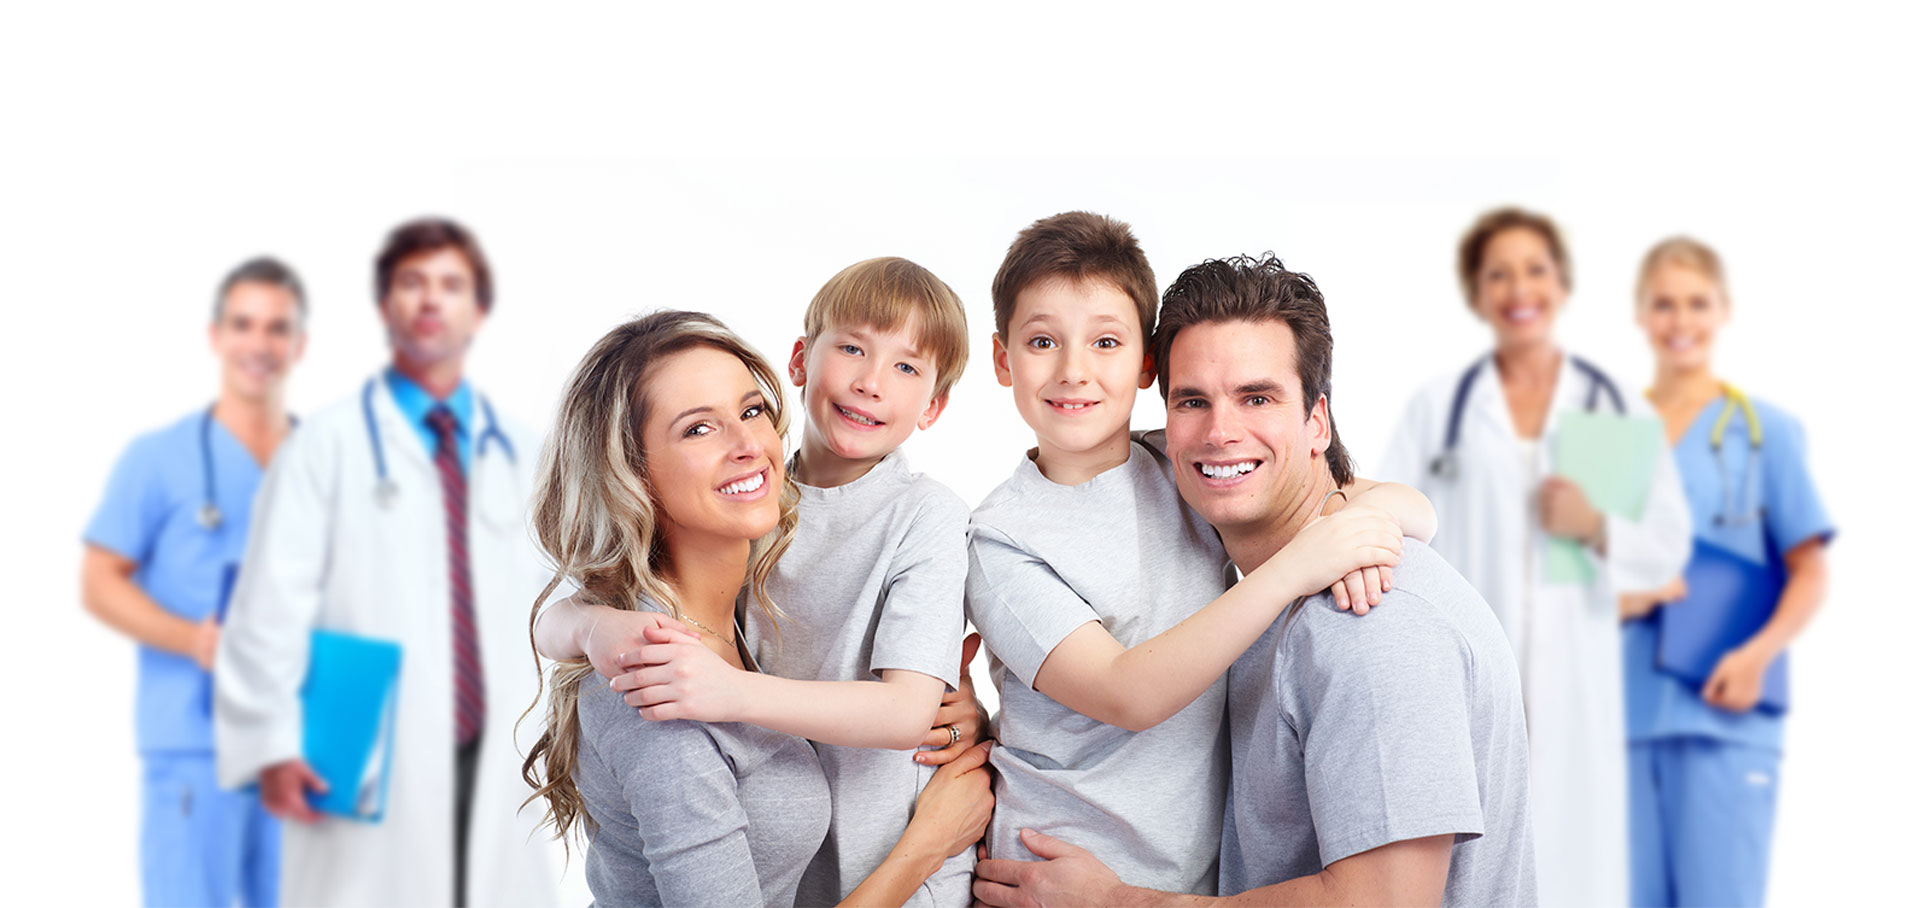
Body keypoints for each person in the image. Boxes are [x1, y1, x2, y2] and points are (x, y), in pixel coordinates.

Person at [973, 254, 1536, 907]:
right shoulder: (1264, 586)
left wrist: (1115, 902)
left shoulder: (1371, 620)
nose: (1220, 433)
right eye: (1192, 402)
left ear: (1316, 421)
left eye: (1257, 397)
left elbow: (1385, 901)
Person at [530, 258, 987, 906]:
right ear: (801, 362)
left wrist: (962, 711)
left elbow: (911, 710)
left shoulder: (811, 517)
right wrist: (588, 625)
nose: (871, 382)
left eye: (750, 411)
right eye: (698, 427)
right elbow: (557, 619)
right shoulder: (671, 678)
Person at [214, 218, 554, 906]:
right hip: (364, 748)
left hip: (503, 748)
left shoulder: (525, 452)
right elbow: (269, 606)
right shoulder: (326, 447)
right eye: (412, 283)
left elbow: (561, 602)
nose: (431, 300)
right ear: (384, 306)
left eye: (451, 285)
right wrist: (271, 743)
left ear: (478, 310)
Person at [1376, 207, 1692, 907]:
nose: (1520, 287)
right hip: (1467, 678)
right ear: (1478, 292)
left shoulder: (1610, 409)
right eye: (1499, 273)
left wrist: (1598, 527)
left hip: (1577, 685)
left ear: (1561, 282)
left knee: (1576, 866)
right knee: (1474, 869)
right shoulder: (1441, 410)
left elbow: (1667, 543)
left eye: (1535, 269)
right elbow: (1383, 515)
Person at [82, 257, 306, 908]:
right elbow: (99, 579)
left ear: (299, 343)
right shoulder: (158, 459)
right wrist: (193, 640)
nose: (259, 344)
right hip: (194, 745)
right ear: (216, 337)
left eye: (276, 328)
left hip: (301, 743)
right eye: (243, 324)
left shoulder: (321, 460)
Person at [1621, 237, 1833, 907]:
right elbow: (1573, 582)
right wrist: (1629, 599)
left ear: (1723, 311)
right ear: (1640, 314)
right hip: (1618, 722)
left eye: (1696, 304)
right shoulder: (1606, 434)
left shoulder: (1766, 431)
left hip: (1726, 719)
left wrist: (1758, 654)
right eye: (1664, 304)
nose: (1680, 321)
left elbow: (1810, 567)